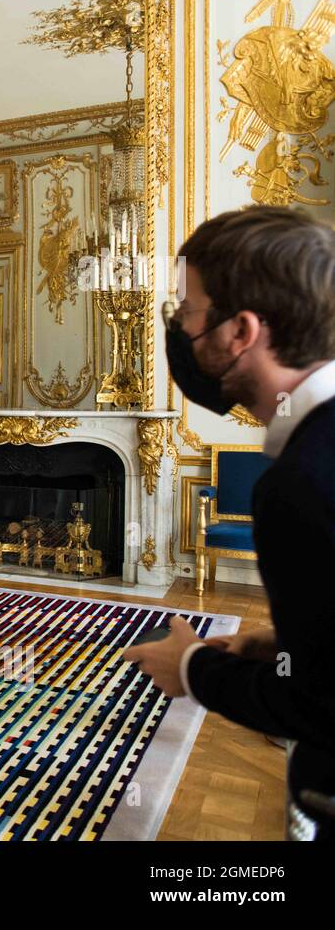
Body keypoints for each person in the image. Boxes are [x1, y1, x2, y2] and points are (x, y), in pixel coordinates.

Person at [123, 206, 335, 840]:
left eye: (186, 311)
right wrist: (282, 646)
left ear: (239, 331)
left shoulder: (302, 481)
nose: (176, 328)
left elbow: (317, 708)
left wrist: (191, 668)